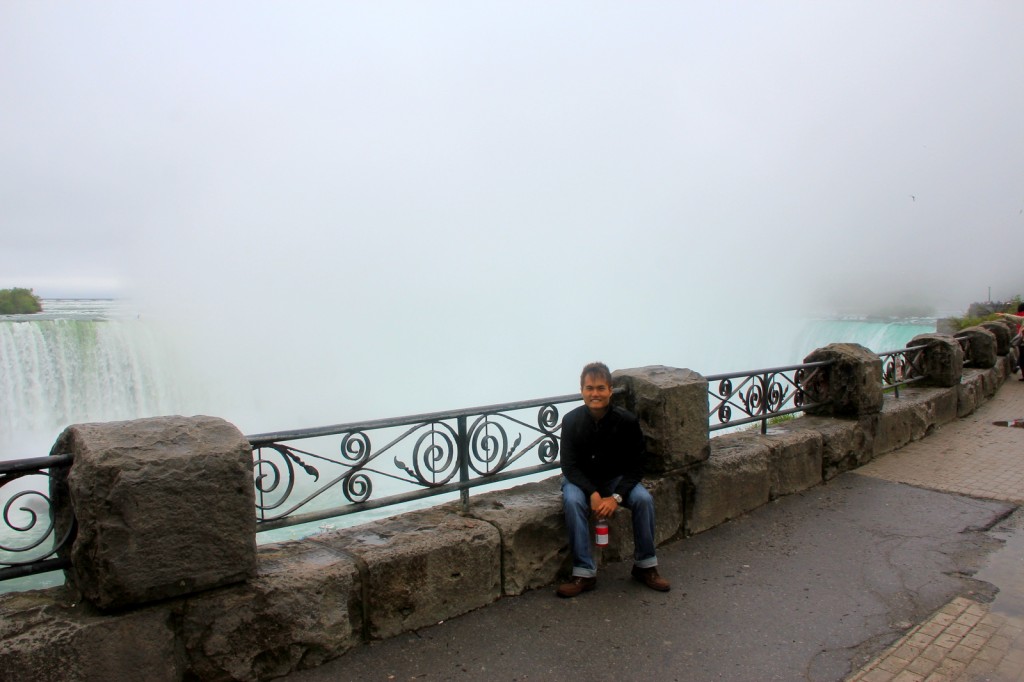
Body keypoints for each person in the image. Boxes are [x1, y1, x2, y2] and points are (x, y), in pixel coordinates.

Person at [556, 361, 670, 598]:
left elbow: (638, 465)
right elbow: (569, 466)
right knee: (572, 501)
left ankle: (645, 566)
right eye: (589, 388)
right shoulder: (571, 421)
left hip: (614, 480)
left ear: (610, 390)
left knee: (643, 500)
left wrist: (616, 496)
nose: (594, 394)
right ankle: (584, 573)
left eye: (600, 388)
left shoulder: (626, 421)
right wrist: (593, 494)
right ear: (582, 391)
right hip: (580, 481)